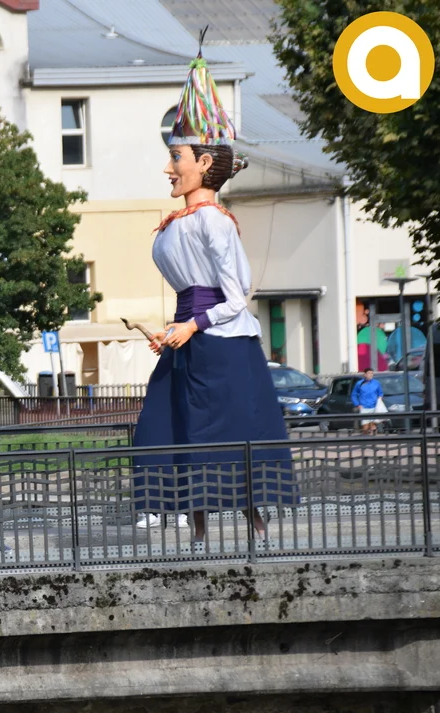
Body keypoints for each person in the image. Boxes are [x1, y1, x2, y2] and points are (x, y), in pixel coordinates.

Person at [132, 48, 298, 549]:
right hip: (189, 340)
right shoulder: (173, 226)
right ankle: (199, 530)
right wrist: (174, 330)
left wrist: (191, 325)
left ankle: (254, 526)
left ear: (204, 163)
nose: (168, 168)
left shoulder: (213, 222)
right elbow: (190, 294)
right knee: (173, 430)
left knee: (225, 435)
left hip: (221, 344)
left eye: (176, 158)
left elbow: (235, 297)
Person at [351, 368, 385, 435]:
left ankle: (373, 438)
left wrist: (380, 398)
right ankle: (365, 438)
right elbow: (354, 395)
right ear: (365, 374)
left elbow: (380, 393)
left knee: (373, 426)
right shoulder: (359, 383)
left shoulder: (376, 383)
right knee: (365, 427)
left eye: (372, 373)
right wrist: (357, 404)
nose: (371, 375)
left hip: (374, 407)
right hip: (364, 407)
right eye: (369, 373)